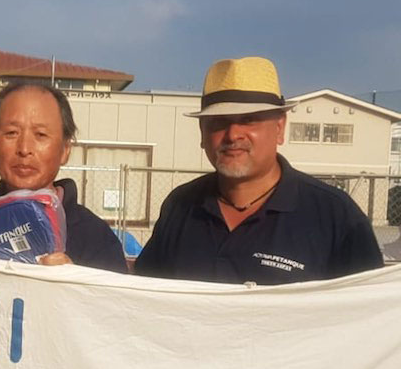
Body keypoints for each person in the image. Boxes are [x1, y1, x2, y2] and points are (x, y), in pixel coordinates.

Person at [135, 56, 383, 284]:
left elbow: (368, 315)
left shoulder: (335, 216)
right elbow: (148, 298)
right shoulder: (181, 205)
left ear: (279, 128)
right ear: (202, 133)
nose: (232, 135)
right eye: (218, 123)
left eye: (248, 120)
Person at [0, 83, 128, 273]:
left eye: (40, 135)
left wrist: (75, 285)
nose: (24, 149)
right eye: (11, 133)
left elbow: (114, 308)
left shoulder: (95, 237)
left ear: (65, 149)